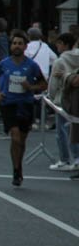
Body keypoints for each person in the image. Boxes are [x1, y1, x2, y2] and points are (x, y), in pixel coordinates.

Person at [0, 30, 48, 186]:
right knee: (15, 137)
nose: (16, 46)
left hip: (25, 104)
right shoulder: (4, 63)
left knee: (22, 141)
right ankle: (15, 169)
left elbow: (44, 84)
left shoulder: (32, 65)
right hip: (8, 104)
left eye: (20, 44)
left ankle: (19, 166)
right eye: (14, 43)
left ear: (25, 47)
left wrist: (30, 87)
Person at [48, 33, 79, 170]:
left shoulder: (60, 61)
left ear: (65, 44)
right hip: (76, 98)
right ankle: (77, 158)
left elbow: (53, 83)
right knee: (75, 128)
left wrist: (52, 97)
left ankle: (64, 159)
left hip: (63, 98)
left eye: (59, 43)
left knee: (62, 131)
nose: (57, 46)